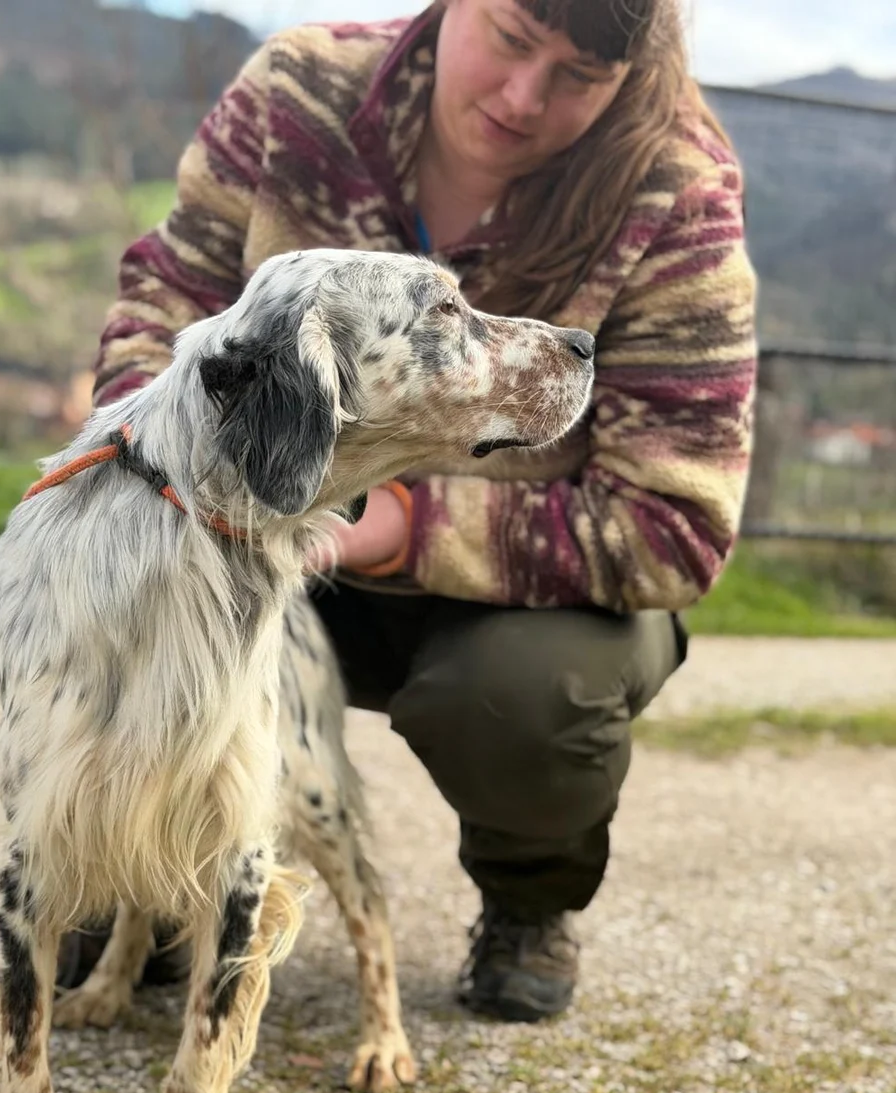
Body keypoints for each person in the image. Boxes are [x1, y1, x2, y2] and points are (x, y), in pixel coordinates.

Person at [61, 0, 757, 1022]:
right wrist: (170, 487)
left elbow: (675, 522)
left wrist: (403, 527)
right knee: (112, 570)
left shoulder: (677, 195)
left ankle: (530, 894)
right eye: (512, 41)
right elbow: (165, 303)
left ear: (633, 69)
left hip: (510, 601)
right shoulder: (299, 90)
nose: (524, 98)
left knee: (529, 693)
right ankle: (160, 876)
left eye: (576, 76)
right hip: (258, 531)